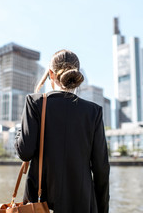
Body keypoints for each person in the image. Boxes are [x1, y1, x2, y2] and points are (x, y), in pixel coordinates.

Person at [15, 49, 110, 213]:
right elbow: (101, 169)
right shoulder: (93, 111)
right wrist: (102, 209)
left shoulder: (35, 103)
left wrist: (20, 130)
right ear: (76, 75)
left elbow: (25, 152)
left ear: (51, 74)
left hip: (41, 205)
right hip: (83, 204)